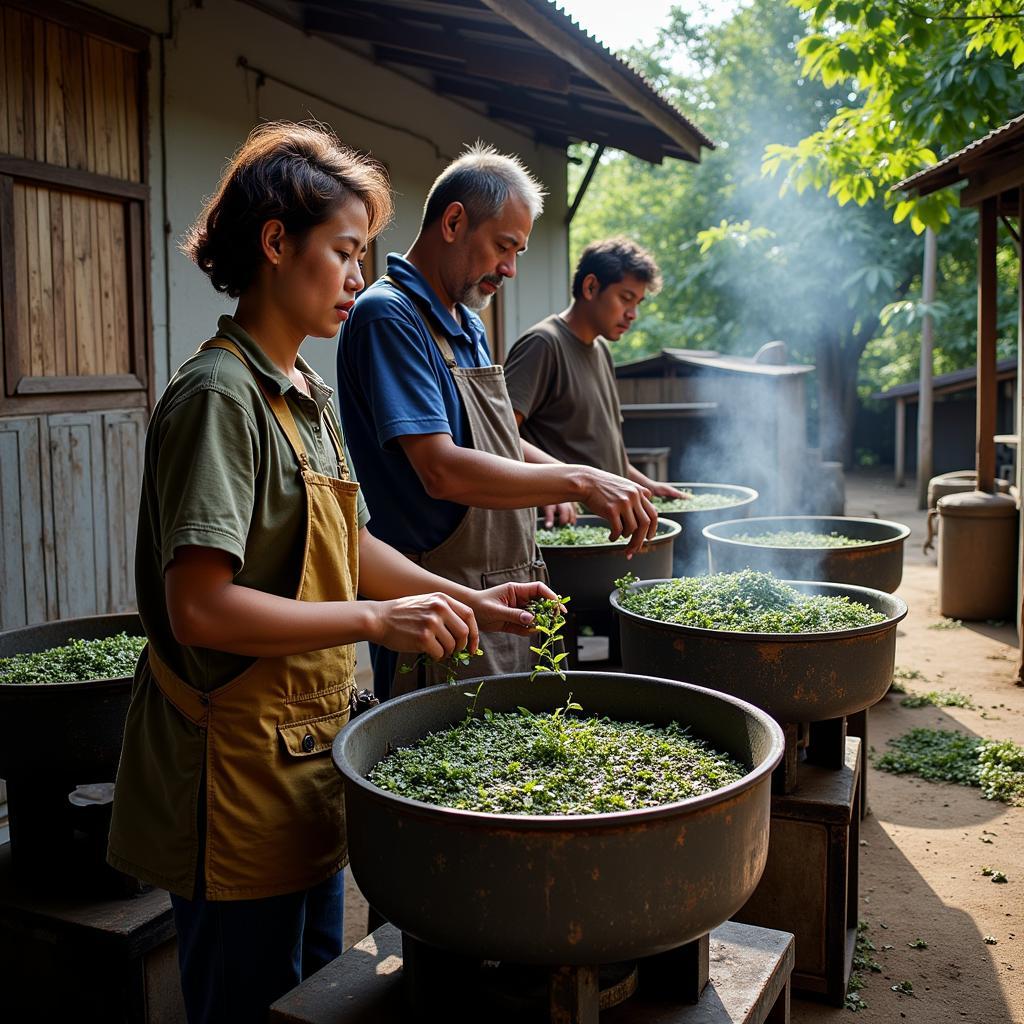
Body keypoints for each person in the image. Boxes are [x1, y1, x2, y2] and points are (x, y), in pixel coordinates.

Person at [107, 123, 553, 1024]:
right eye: (345, 252)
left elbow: (345, 544)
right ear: (277, 243)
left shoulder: (303, 394)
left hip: (306, 769)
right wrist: (374, 624)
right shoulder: (217, 400)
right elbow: (200, 609)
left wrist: (466, 599)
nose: (357, 276)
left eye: (363, 255)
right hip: (233, 781)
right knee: (247, 1000)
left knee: (308, 1001)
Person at [337, 145, 657, 699]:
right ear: (455, 221)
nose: (509, 268)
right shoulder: (389, 315)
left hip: (503, 586)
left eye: (519, 252)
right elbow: (440, 469)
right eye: (503, 246)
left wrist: (577, 476)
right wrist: (578, 480)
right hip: (439, 605)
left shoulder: (464, 319)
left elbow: (503, 442)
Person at [504, 237, 686, 499]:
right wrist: (567, 478)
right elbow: (499, 434)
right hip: (564, 525)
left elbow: (609, 456)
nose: (633, 313)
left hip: (608, 521)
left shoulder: (601, 350)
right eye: (626, 298)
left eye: (638, 303)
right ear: (590, 287)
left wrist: (648, 486)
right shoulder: (543, 344)